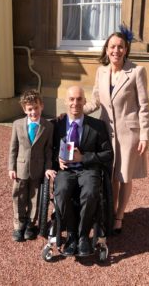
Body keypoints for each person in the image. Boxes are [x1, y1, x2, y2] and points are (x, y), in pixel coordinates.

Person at [83, 30, 149, 234]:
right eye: (112, 46)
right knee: (111, 176)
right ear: (106, 49)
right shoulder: (101, 71)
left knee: (124, 176)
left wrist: (145, 134)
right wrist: (75, 112)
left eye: (120, 46)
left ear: (126, 49)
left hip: (129, 133)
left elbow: (144, 105)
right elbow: (95, 101)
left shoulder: (137, 71)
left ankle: (119, 216)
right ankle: (111, 211)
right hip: (106, 133)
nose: (116, 50)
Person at [52, 86, 113, 256]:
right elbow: (48, 150)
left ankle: (83, 236)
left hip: (88, 170)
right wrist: (56, 158)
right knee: (61, 190)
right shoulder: (56, 125)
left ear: (85, 101)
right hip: (65, 171)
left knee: (91, 191)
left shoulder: (97, 126)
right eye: (71, 99)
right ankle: (72, 234)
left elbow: (108, 154)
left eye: (79, 99)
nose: (75, 103)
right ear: (65, 101)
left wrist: (83, 158)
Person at [8, 89, 56, 242]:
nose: (33, 111)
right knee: (19, 197)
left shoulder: (48, 127)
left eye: (36, 107)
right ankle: (18, 225)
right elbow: (13, 147)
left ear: (41, 106)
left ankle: (30, 224)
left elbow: (49, 150)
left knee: (35, 198)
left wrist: (48, 167)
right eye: (29, 109)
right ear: (24, 109)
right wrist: (11, 167)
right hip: (21, 168)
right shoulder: (17, 124)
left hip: (38, 169)